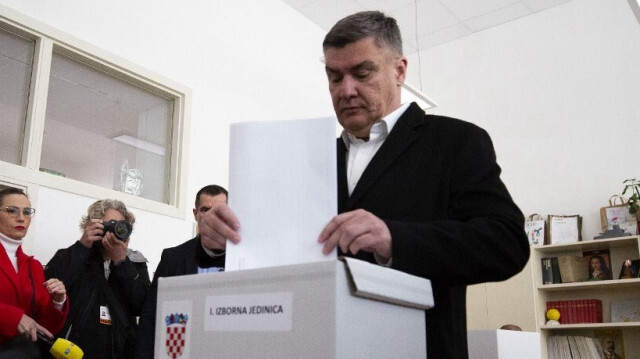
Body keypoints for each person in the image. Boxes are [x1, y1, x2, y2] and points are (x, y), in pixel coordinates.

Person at [199, 11, 530, 359]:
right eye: (334, 76)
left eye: (362, 73)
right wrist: (218, 243)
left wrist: (393, 240)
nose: (346, 90)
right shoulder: (310, 158)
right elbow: (274, 253)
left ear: (399, 70)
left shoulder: (455, 142)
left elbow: (506, 243)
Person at [44, 199, 150, 359]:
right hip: (74, 352)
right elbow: (49, 287)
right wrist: (82, 245)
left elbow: (142, 306)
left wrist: (122, 262)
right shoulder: (72, 255)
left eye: (120, 226)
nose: (113, 231)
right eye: (109, 225)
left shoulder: (135, 264)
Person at [135, 185, 228, 358]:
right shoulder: (173, 258)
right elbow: (151, 316)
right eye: (205, 210)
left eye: (219, 211)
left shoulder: (245, 257)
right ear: (195, 214)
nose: (212, 217)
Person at [0, 187, 68, 359]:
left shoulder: (34, 266)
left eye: (27, 211)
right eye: (12, 211)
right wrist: (13, 318)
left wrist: (58, 301)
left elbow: (45, 327)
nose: (21, 217)